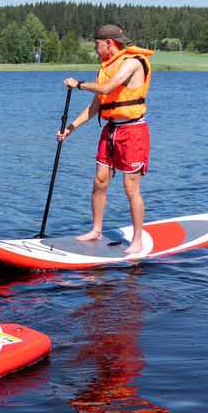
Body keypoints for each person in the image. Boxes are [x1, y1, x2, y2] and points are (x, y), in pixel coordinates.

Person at [56, 24, 154, 257]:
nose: (96, 48)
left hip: (133, 132)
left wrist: (78, 84)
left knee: (131, 188)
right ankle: (96, 230)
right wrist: (70, 128)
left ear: (108, 43)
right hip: (110, 131)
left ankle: (138, 240)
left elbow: (108, 87)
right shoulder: (105, 68)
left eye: (97, 44)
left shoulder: (133, 62)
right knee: (100, 181)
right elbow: (95, 107)